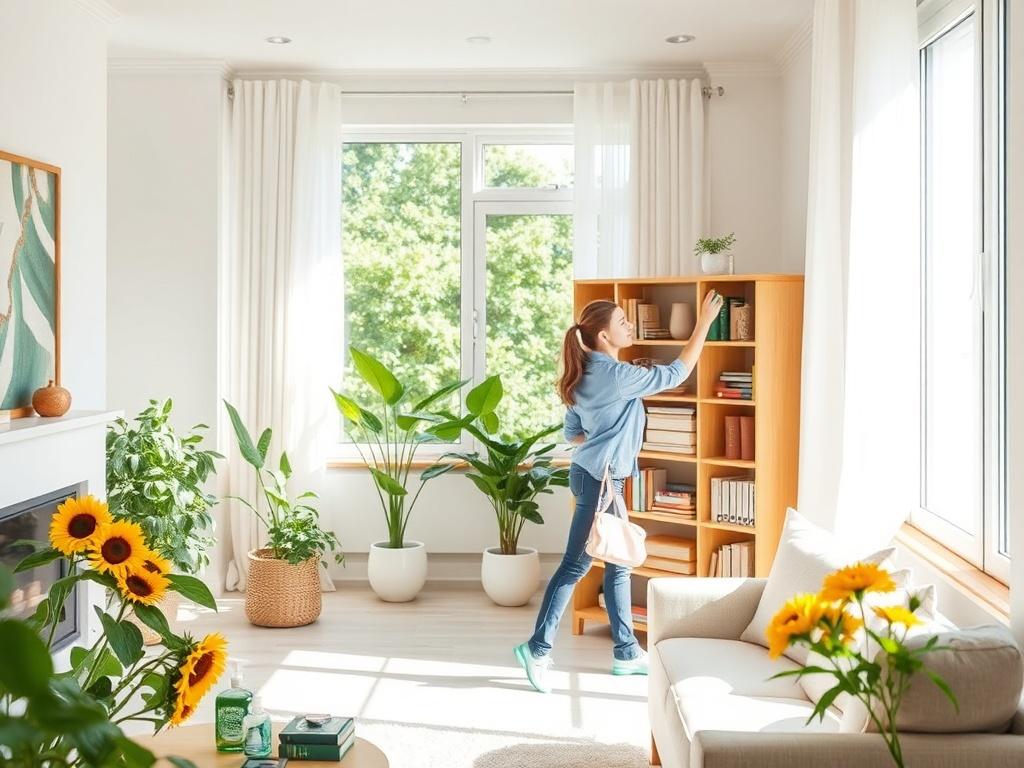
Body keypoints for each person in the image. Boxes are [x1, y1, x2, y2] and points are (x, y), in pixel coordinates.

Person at [514, 290, 724, 694]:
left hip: (595, 476)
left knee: (619, 562)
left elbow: (573, 433)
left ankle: (626, 653)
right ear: (605, 336)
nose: (630, 326)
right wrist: (703, 323)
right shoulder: (616, 376)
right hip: (602, 481)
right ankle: (536, 649)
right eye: (623, 322)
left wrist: (603, 440)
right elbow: (677, 373)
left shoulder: (583, 374)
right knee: (576, 567)